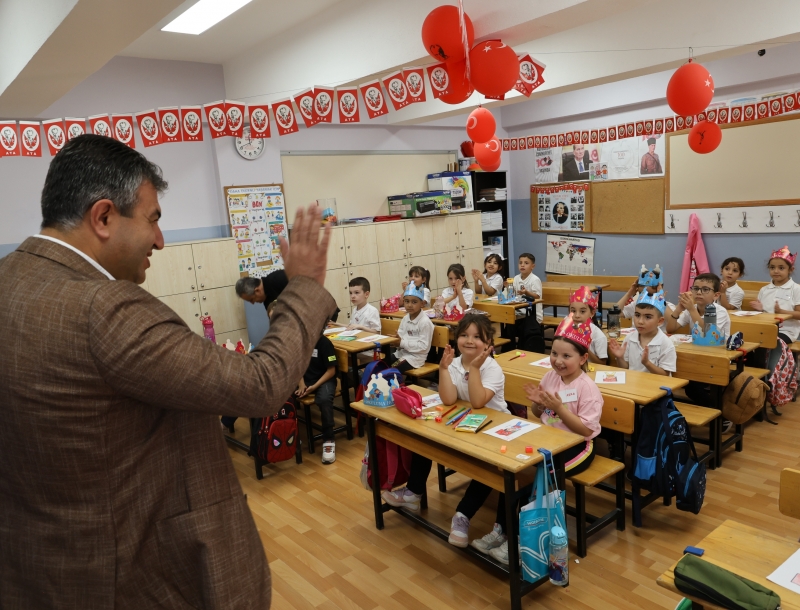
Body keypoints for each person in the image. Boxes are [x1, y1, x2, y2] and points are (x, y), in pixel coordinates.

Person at [0, 134, 336, 609]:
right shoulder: (104, 308)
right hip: (131, 575)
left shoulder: (10, 279)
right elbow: (260, 386)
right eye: (153, 219)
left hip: (41, 568)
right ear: (103, 217)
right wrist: (301, 286)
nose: (160, 239)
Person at [473, 313, 603, 565]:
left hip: (577, 445)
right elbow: (539, 414)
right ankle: (502, 529)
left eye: (567, 356)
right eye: (554, 354)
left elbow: (586, 431)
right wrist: (539, 405)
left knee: (534, 477)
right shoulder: (550, 377)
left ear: (583, 358)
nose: (558, 361)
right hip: (547, 438)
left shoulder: (587, 388)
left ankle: (522, 542)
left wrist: (560, 408)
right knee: (512, 469)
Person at [381, 315, 509, 549]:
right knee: (427, 436)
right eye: (464, 335)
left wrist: (476, 369)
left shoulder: (492, 368)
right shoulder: (455, 362)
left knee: (487, 468)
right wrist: (443, 367)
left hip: (492, 427)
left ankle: (462, 515)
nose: (470, 341)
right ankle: (413, 493)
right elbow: (449, 398)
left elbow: (479, 402)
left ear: (488, 342)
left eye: (477, 337)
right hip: (465, 422)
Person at [750, 246, 800, 372]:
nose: (776, 271)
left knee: (767, 340)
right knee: (747, 338)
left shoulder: (796, 289)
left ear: (791, 269)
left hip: (787, 331)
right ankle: (754, 374)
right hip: (766, 328)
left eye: (781, 268)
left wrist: (782, 312)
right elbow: (763, 316)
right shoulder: (765, 290)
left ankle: (768, 376)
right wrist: (760, 310)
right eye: (772, 268)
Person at [608, 290, 676, 375]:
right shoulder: (629, 338)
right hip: (633, 384)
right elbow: (625, 368)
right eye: (637, 315)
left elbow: (665, 375)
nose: (640, 321)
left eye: (648, 317)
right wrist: (620, 358)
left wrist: (647, 363)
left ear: (660, 321)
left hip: (655, 386)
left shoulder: (666, 343)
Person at [295, 329, 338, 464]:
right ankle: (292, 437)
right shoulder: (301, 342)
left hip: (324, 380)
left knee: (324, 399)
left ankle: (329, 440)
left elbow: (331, 371)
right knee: (283, 394)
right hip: (305, 381)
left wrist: (314, 386)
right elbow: (298, 366)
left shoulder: (325, 343)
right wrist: (301, 384)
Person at [666, 273, 731, 339]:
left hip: (716, 347)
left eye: (705, 289)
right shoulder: (691, 309)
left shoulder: (720, 312)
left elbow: (708, 334)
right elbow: (670, 329)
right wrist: (678, 310)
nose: (699, 292)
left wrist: (692, 309)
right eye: (696, 288)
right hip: (696, 347)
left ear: (716, 295)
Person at [391, 283, 435, 373]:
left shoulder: (425, 322)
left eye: (414, 302)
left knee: (392, 370)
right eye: (407, 301)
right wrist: (396, 341)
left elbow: (423, 347)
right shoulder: (405, 318)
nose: (409, 305)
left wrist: (401, 343)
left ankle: (396, 386)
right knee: (381, 364)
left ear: (422, 303)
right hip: (402, 354)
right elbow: (401, 336)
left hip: (415, 359)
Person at [616, 264, 673, 332]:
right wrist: (629, 294)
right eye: (641, 294)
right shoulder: (637, 305)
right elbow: (615, 313)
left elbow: (673, 324)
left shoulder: (667, 306)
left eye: (650, 295)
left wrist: (661, 299)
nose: (646, 299)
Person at [513, 253, 544, 352]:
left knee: (521, 324)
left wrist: (526, 292)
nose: (522, 265)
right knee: (508, 320)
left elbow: (537, 296)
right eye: (520, 263)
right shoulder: (516, 278)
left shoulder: (534, 279)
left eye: (526, 263)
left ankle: (524, 346)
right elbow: (514, 295)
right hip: (519, 311)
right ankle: (510, 346)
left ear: (532, 266)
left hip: (532, 314)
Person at [568, 286, 608, 364]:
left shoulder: (598, 336)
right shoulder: (566, 329)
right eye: (573, 310)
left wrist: (585, 347)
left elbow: (602, 363)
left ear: (592, 313)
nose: (577, 315)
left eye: (582, 311)